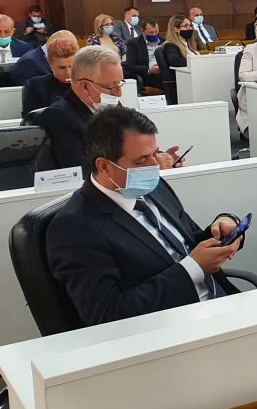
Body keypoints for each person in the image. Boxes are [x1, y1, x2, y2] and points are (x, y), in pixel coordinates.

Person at [46, 106, 245, 326]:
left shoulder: (154, 187)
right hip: (171, 329)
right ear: (104, 166)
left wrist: (222, 230)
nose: (155, 166)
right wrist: (192, 269)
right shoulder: (75, 228)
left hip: (221, 305)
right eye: (142, 161)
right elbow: (108, 314)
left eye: (155, 153)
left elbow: (189, 242)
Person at [38, 46, 183, 173]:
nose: (118, 94)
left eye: (119, 84)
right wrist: (150, 165)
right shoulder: (59, 116)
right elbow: (83, 171)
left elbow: (132, 145)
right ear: (85, 86)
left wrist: (159, 156)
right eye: (110, 87)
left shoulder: (111, 105)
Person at [21, 32, 79, 114]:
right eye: (62, 68)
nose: (68, 73)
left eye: (71, 66)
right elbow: (29, 118)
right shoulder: (36, 86)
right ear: (49, 62)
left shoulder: (89, 84)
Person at [124, 18, 165, 90]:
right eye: (150, 32)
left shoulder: (164, 41)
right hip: (149, 75)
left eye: (156, 31)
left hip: (165, 70)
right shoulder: (134, 43)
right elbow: (130, 65)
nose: (154, 34)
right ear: (142, 31)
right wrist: (149, 70)